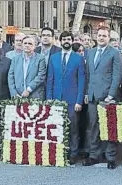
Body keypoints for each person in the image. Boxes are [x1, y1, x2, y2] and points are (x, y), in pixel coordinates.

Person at [83, 26, 122, 170]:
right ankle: (94, 155)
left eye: (104, 36)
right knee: (93, 126)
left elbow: (117, 76)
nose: (101, 38)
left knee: (109, 127)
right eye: (99, 35)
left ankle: (110, 157)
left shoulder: (115, 53)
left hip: (108, 97)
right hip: (93, 96)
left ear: (108, 38)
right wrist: (87, 92)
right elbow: (88, 75)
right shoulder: (90, 52)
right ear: (96, 36)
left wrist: (111, 95)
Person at [45, 31, 85, 165]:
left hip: (73, 100)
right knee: (57, 127)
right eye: (64, 39)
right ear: (60, 41)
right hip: (56, 99)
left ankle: (73, 153)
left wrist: (79, 101)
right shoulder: (53, 58)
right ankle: (60, 152)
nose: (66, 41)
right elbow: (50, 79)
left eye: (69, 39)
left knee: (73, 128)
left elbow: (81, 81)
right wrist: (49, 99)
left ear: (72, 41)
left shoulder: (78, 58)